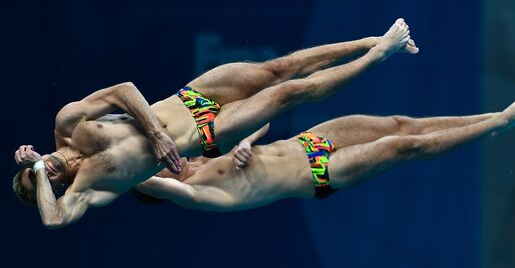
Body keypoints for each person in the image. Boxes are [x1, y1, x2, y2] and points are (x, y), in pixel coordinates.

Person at [12, 18, 417, 228]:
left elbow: (124, 90)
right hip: (208, 131)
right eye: (42, 177)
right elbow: (54, 220)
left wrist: (154, 134)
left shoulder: (69, 121)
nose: (45, 169)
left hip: (192, 96)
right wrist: (36, 173)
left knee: (281, 68)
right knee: (287, 94)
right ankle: (378, 54)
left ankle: (368, 40)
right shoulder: (91, 188)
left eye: (39, 165)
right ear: (55, 186)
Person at [134, 98, 515, 210]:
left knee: (400, 124)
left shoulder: (199, 158)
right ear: (158, 188)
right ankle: (499, 126)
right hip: (321, 173)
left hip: (310, 141)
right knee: (402, 147)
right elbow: (138, 179)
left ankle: (496, 116)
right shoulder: (196, 194)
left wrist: (244, 142)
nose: (173, 162)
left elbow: (262, 124)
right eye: (162, 172)